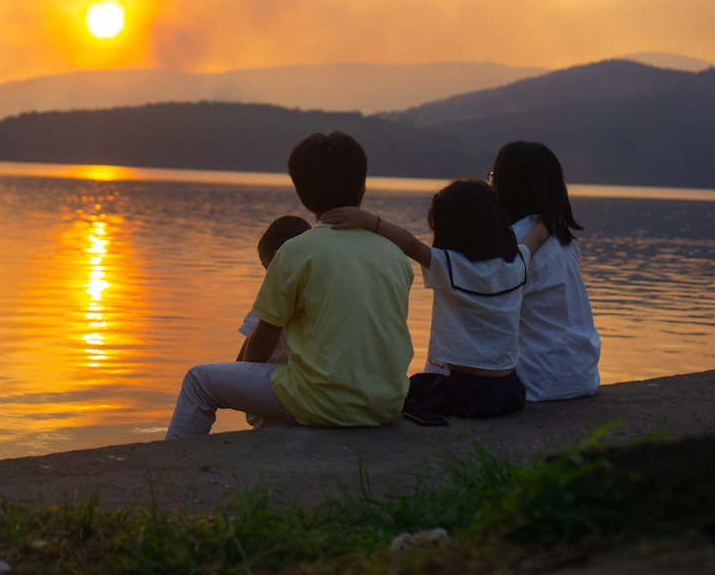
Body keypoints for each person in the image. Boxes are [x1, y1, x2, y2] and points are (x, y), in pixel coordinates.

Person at [165, 131, 415, 439]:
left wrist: (242, 385)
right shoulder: (394, 254)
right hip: (386, 404)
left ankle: (167, 474)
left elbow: (262, 342)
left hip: (322, 403)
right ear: (362, 189)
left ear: (301, 194)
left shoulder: (296, 251)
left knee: (199, 381)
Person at [322, 179, 547, 420]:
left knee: (392, 394)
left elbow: (409, 244)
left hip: (464, 392)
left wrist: (369, 221)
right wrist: (552, 216)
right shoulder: (517, 264)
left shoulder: (451, 266)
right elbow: (538, 235)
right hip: (510, 390)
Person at [491, 140, 601, 401]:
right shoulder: (564, 241)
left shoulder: (513, 241)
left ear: (508, 186)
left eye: (494, 178)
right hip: (581, 375)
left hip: (539, 381)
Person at [235, 215, 311, 427]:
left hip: (275, 400)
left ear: (278, 258)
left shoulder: (274, 295)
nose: (267, 275)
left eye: (266, 266)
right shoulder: (319, 295)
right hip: (313, 394)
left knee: (200, 379)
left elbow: (243, 363)